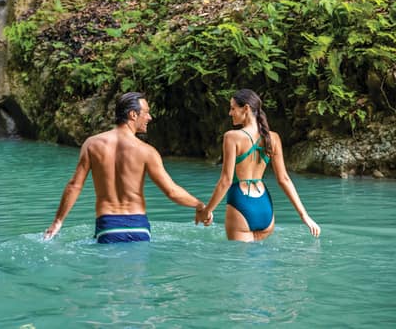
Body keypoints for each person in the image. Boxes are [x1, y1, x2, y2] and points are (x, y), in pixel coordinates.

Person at [44, 92, 211, 243]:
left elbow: (75, 186)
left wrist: (58, 221)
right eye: (146, 112)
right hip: (139, 227)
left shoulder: (92, 144)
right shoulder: (147, 151)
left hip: (108, 227)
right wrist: (199, 205)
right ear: (133, 114)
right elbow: (172, 191)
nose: (150, 117)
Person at [199, 88, 321, 241]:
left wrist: (207, 211)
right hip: (265, 207)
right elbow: (284, 179)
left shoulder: (232, 137)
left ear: (246, 108)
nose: (230, 113)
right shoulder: (273, 138)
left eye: (232, 108)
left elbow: (226, 181)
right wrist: (305, 216)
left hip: (241, 203)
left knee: (240, 264)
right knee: (262, 262)